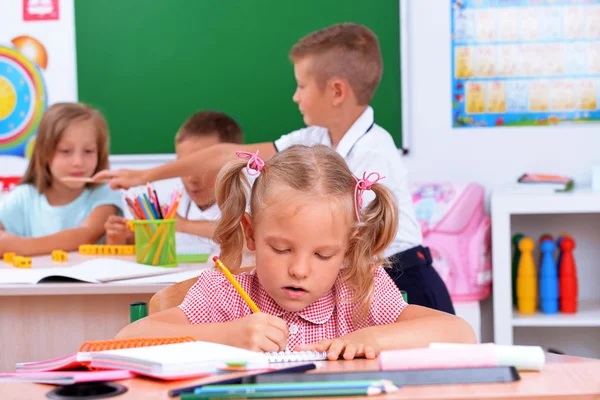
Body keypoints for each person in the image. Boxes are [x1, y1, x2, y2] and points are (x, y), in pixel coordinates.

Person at [95, 23, 455, 314]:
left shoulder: (373, 152)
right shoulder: (316, 135)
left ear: (337, 91)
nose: (295, 97)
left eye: (301, 86)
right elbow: (228, 154)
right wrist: (146, 176)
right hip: (360, 279)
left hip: (404, 280)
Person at [115, 145, 475, 360]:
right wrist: (227, 335)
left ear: (348, 250)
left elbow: (460, 333)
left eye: (323, 255)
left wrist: (372, 337)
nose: (300, 269)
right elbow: (126, 341)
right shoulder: (222, 295)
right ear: (251, 233)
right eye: (281, 248)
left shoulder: (360, 291)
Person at [0, 102, 122, 256]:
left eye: (88, 151)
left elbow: (86, 235)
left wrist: (18, 246)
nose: (78, 162)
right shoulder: (25, 196)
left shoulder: (105, 194)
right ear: (44, 153)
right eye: (65, 151)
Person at [104, 111, 243, 245]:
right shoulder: (167, 196)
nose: (191, 178)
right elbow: (146, 244)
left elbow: (243, 235)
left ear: (232, 164)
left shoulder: (252, 194)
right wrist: (120, 237)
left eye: (201, 168)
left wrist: (183, 225)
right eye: (183, 166)